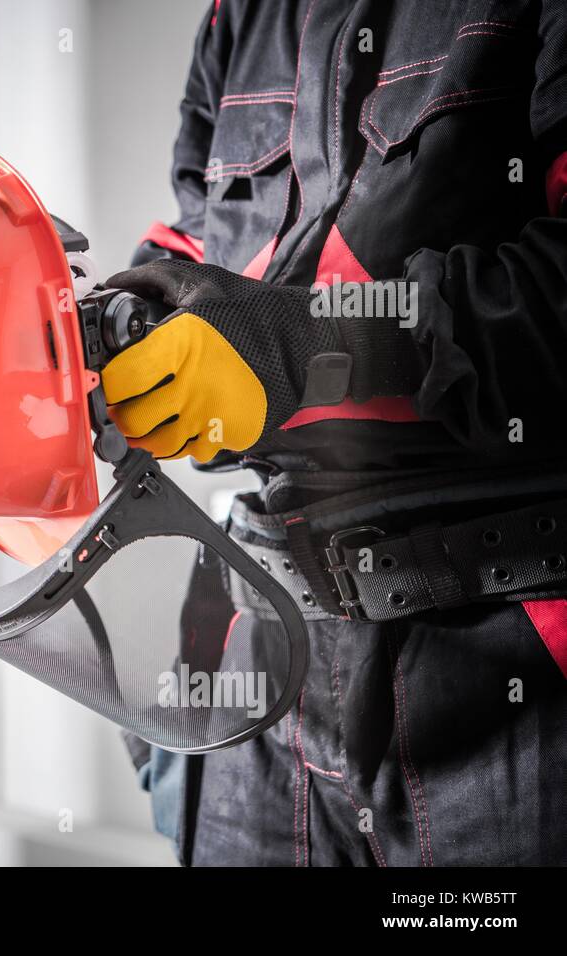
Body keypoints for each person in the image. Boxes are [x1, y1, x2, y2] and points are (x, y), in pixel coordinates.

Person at [106, 0, 567, 865]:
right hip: (260, 669)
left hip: (507, 676)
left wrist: (314, 345)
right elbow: (191, 250)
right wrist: (101, 339)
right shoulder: (239, 18)